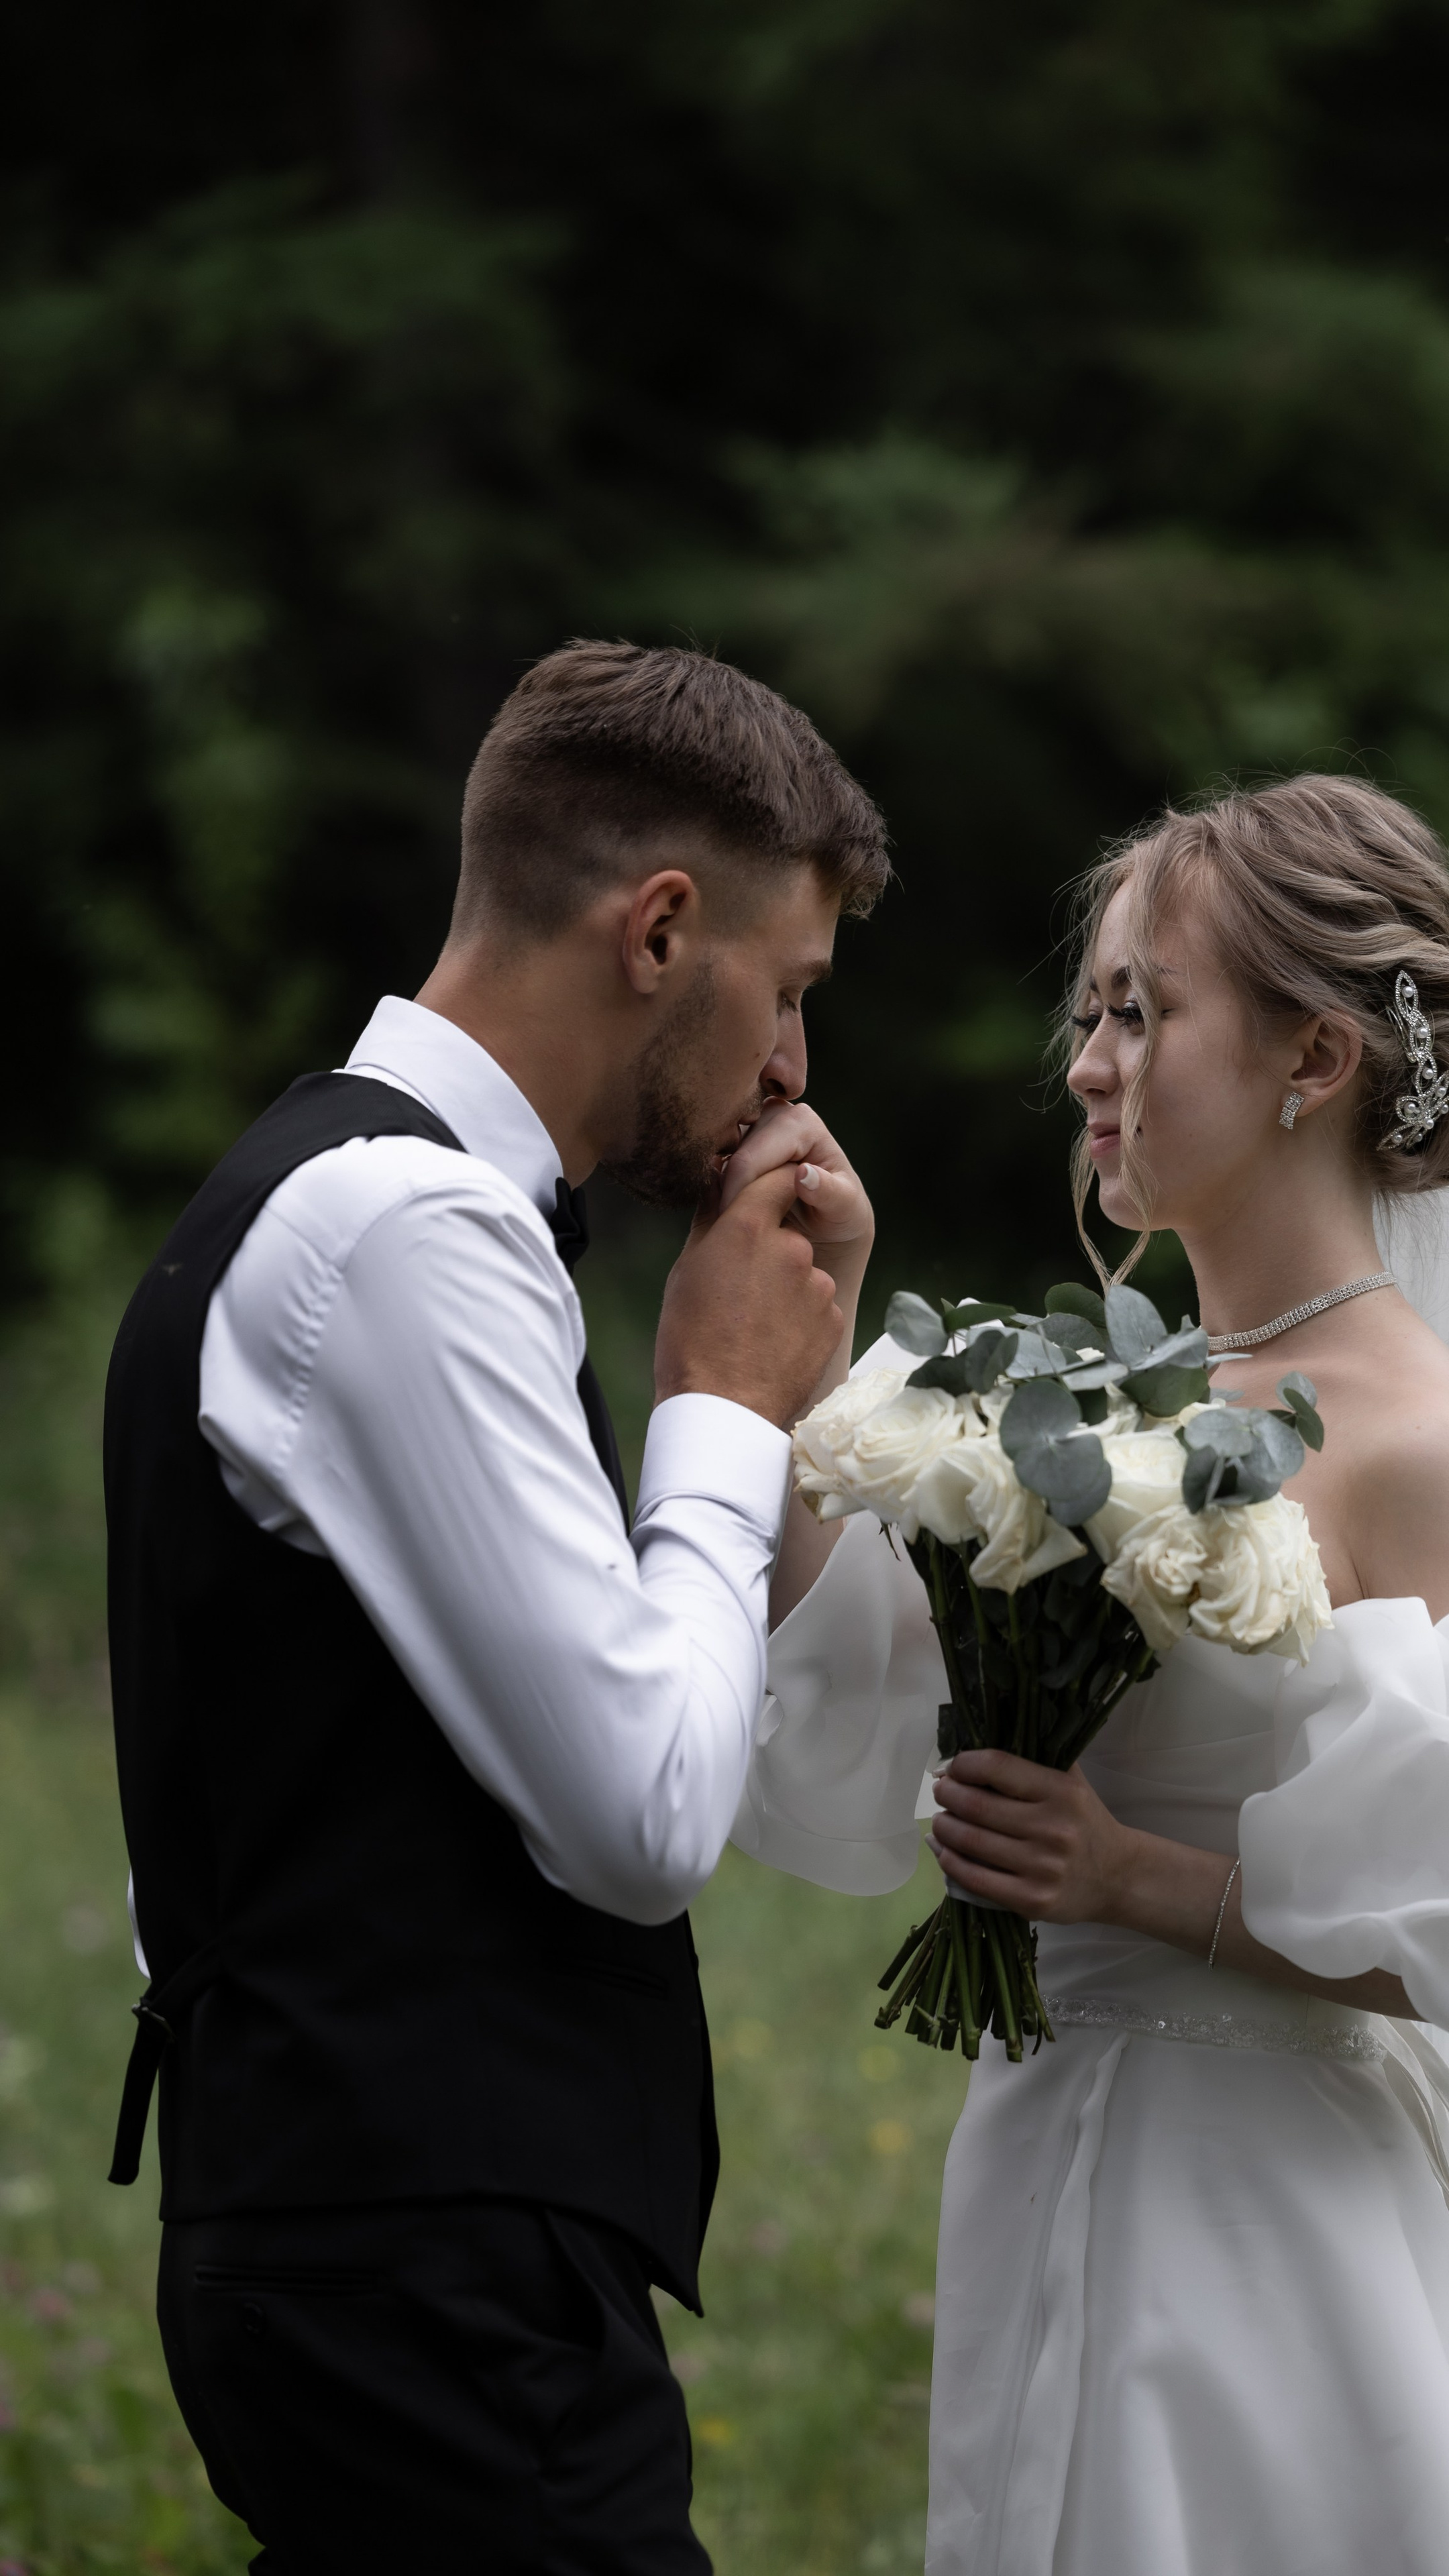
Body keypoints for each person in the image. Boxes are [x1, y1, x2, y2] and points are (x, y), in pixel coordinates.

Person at [738, 776, 1449, 2576]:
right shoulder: (1110, 1404)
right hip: (1046, 2142)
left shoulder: (1416, 1438)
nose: (1091, 1063)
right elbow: (860, 1710)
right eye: (1091, 1014)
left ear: (1315, 1057)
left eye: (1139, 1008)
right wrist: (808, 1370)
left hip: (1259, 2218)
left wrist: (1142, 1883)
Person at [104, 639, 884, 2573]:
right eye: (785, 995)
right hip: (421, 2276)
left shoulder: (375, 1198)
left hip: (375, 2245)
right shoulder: (409, 1230)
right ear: (661, 929)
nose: (794, 1067)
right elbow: (638, 1814)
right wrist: (717, 1404)